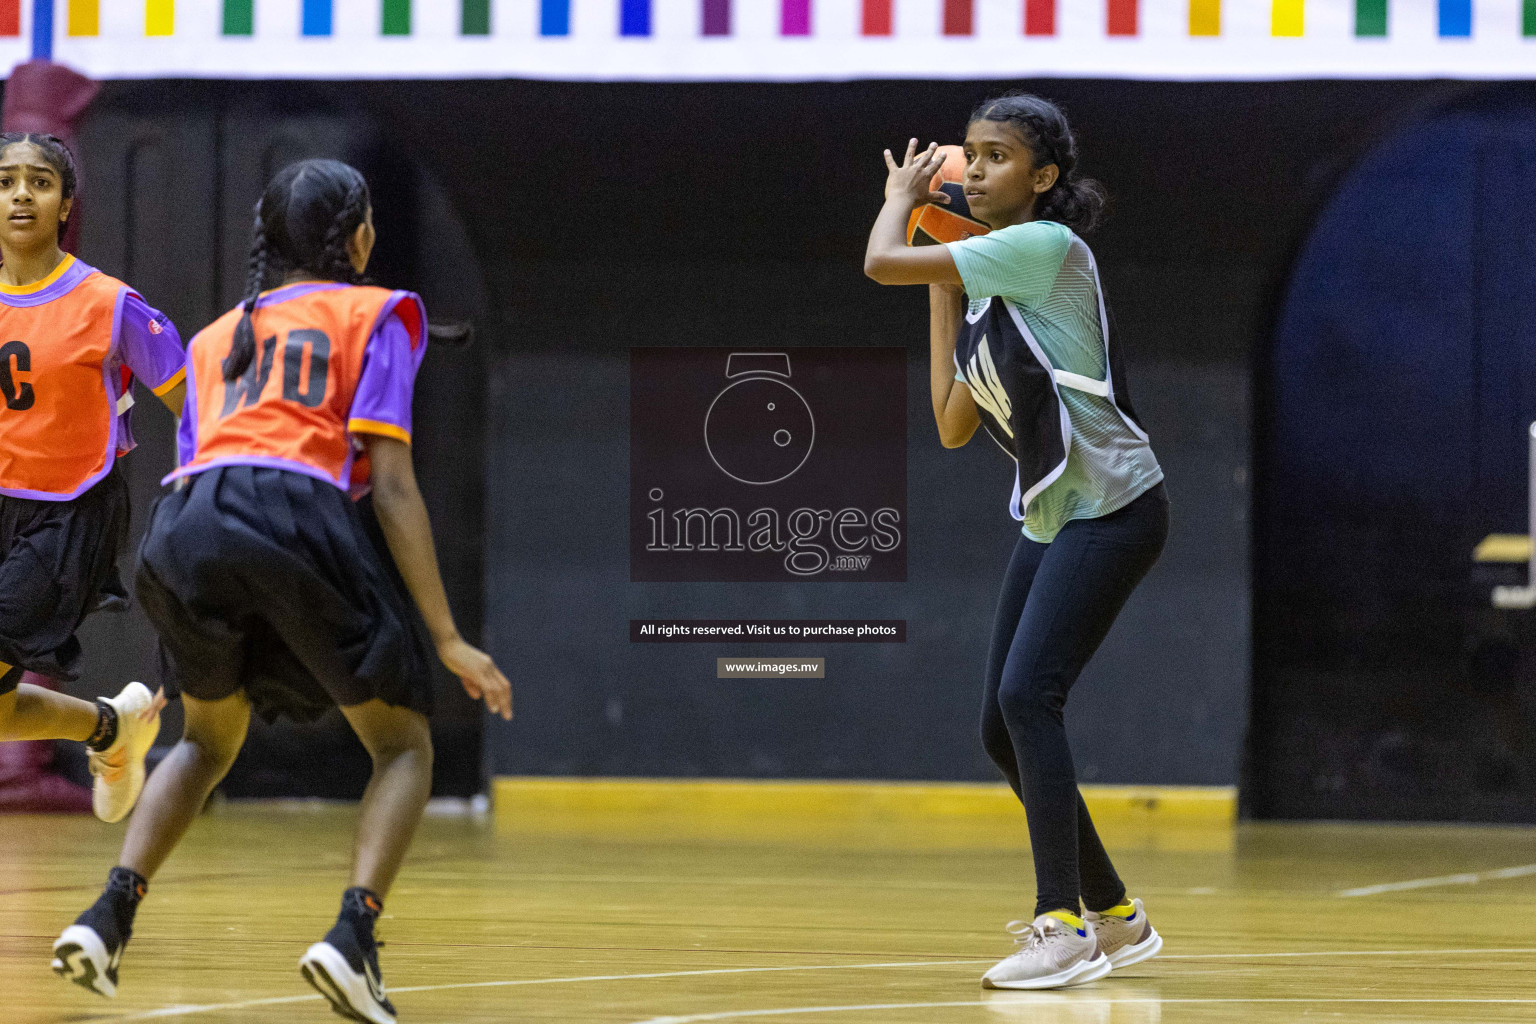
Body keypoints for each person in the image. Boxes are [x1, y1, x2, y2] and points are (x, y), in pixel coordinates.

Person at [52, 158, 512, 1024]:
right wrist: (447, 636)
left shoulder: (216, 333)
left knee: (205, 742)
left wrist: (171, 650)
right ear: (358, 236)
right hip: (289, 508)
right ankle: (352, 938)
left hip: (183, 525)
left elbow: (200, 473)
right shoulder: (376, 312)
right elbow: (394, 483)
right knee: (406, 747)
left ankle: (105, 918)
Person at [864, 94, 1168, 990]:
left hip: (1115, 509)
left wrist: (900, 196)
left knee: (1030, 695)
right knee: (1002, 725)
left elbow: (883, 259)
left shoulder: (1044, 250)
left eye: (997, 156)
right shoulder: (989, 289)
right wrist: (943, 289)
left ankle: (1062, 924)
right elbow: (953, 422)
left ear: (1042, 179)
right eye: (970, 154)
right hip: (1053, 514)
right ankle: (1120, 917)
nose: (977, 168)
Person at [0, 132, 183, 823]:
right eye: (6, 181)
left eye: (39, 182)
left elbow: (191, 401)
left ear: (65, 202)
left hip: (70, 511)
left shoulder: (108, 304)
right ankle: (112, 729)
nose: (21, 194)